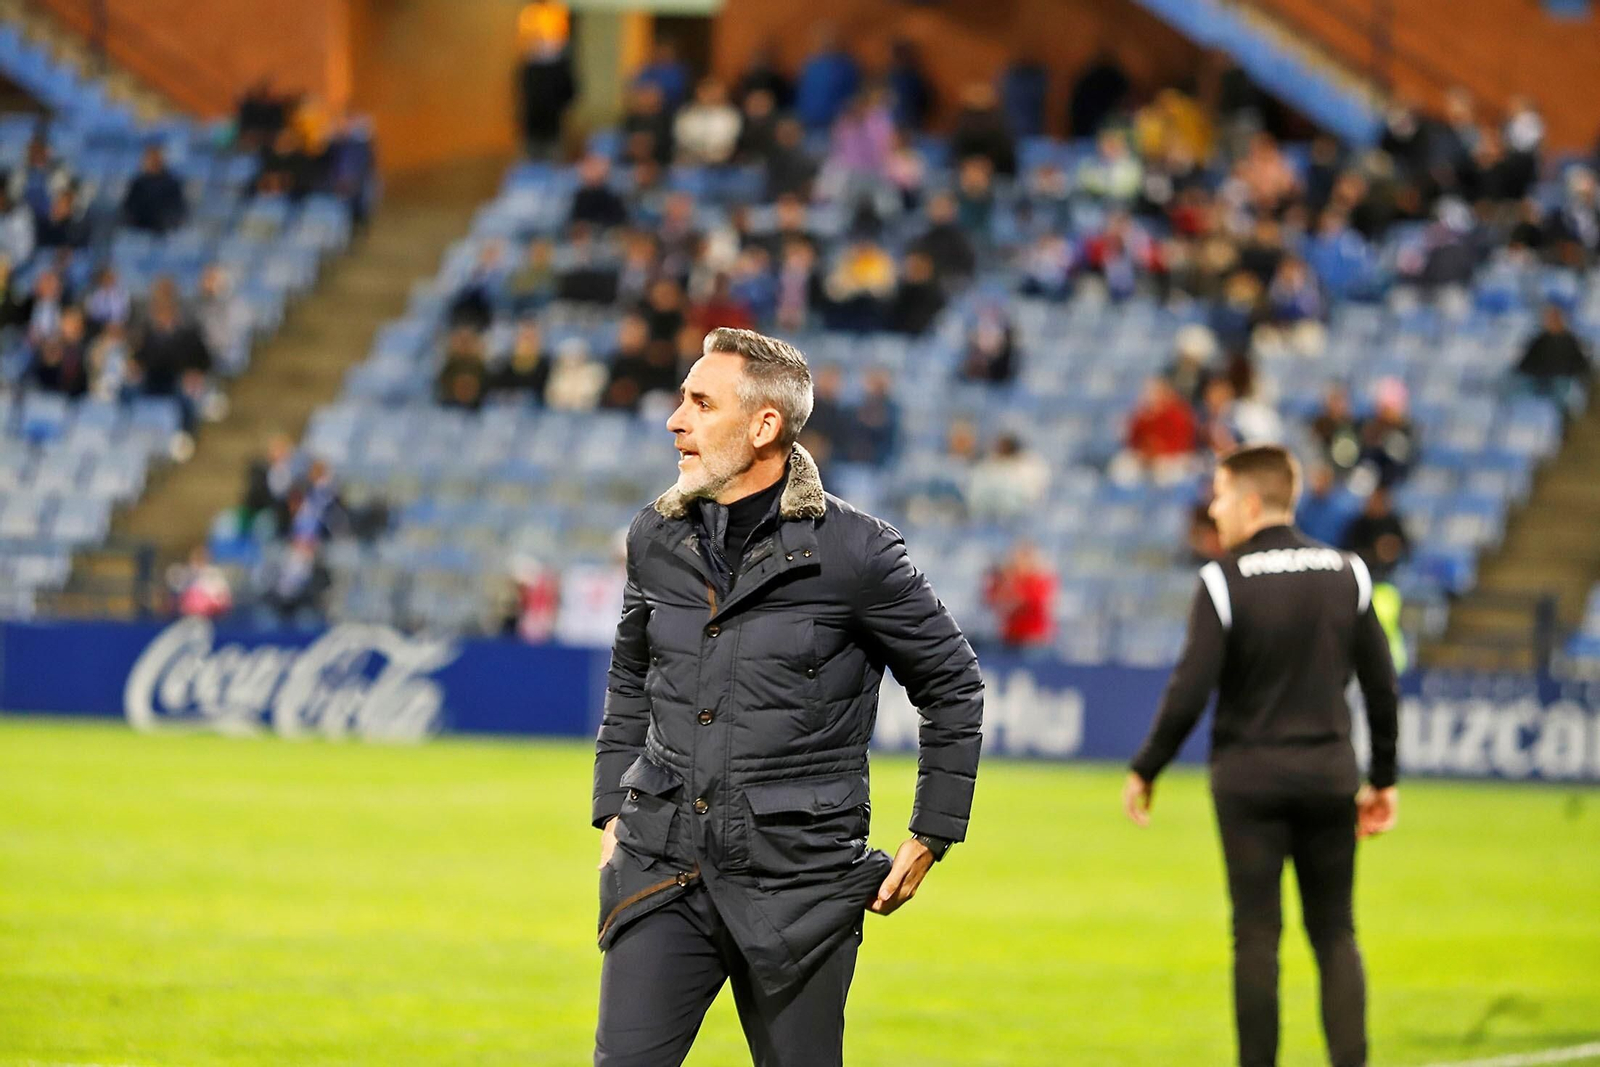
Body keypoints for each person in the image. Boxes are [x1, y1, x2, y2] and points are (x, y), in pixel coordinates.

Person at [592, 327, 983, 1066]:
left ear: (764, 425)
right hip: (663, 863)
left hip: (803, 884)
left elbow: (952, 681)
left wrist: (933, 829)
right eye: (682, 399)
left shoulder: (858, 552)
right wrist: (614, 805)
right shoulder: (655, 534)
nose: (676, 419)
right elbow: (629, 674)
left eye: (700, 403)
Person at [1124, 444, 1400, 1067]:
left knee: (1255, 935)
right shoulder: (1348, 572)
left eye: (1219, 495)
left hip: (1248, 779)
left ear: (1250, 501)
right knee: (1335, 932)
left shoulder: (1223, 579)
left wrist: (1147, 766)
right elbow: (1381, 687)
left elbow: (1189, 689)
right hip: (1329, 774)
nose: (1213, 510)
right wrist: (1383, 778)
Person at [122, 145, 187, 233]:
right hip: (139, 231)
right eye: (149, 159)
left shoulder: (171, 184)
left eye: (155, 159)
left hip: (163, 232)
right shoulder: (138, 183)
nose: (152, 162)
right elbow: (129, 207)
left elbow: (177, 209)